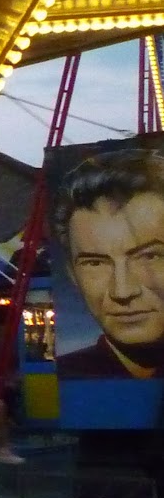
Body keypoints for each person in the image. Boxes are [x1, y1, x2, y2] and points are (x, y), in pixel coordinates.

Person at [50, 145, 164, 378]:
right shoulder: (73, 375)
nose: (122, 292)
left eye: (149, 256)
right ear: (72, 274)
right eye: (95, 263)